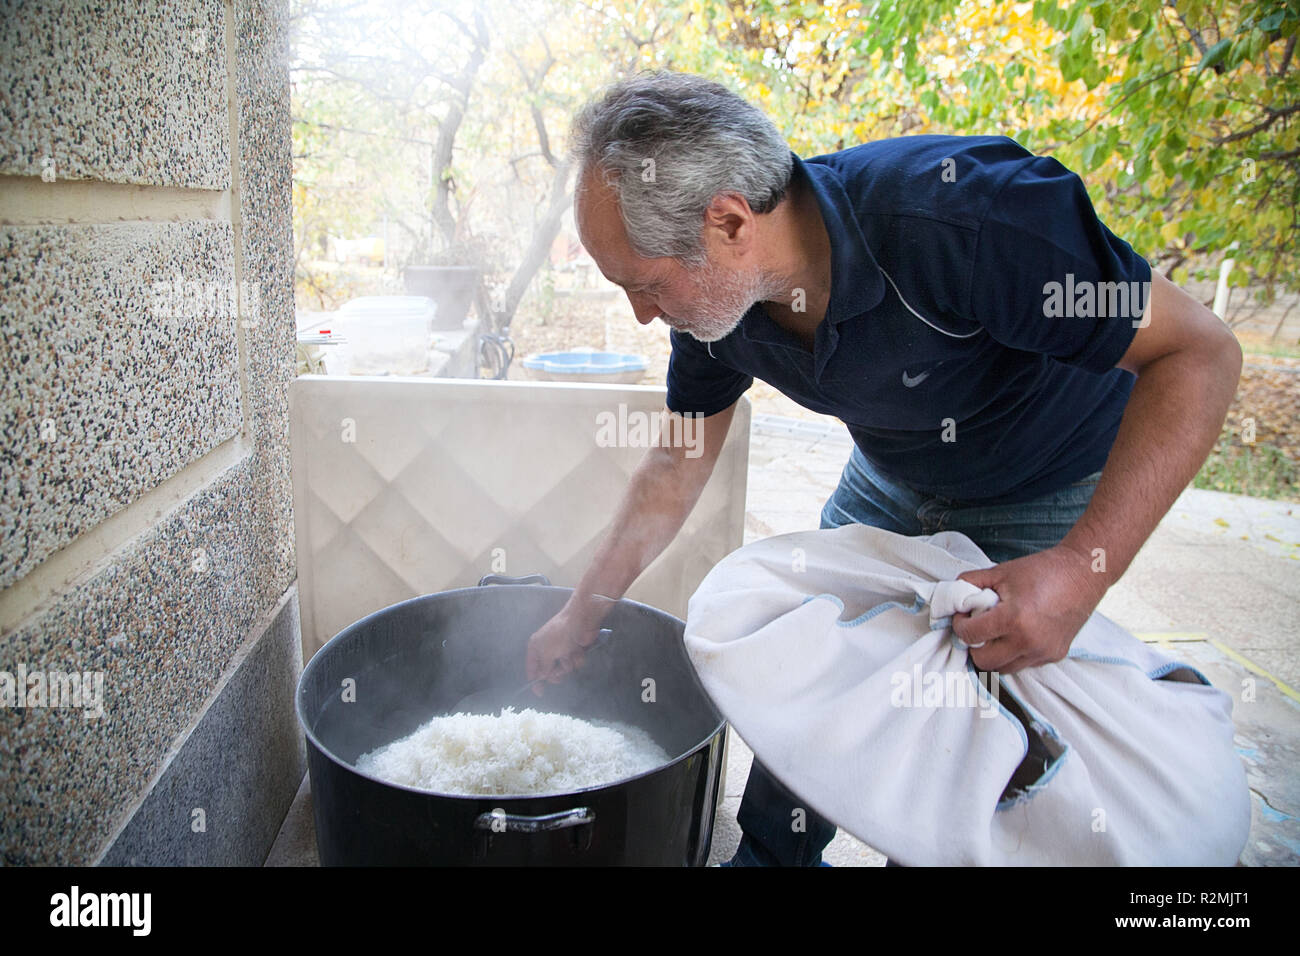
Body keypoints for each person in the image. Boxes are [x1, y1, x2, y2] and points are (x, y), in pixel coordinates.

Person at [525, 71, 1242, 866]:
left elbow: (1200, 352)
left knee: (977, 730)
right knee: (816, 668)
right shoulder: (716, 307)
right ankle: (770, 857)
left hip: (1043, 476)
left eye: (645, 286)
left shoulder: (968, 216)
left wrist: (1080, 569)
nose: (643, 314)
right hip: (893, 475)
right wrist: (581, 612)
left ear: (728, 222)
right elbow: (674, 466)